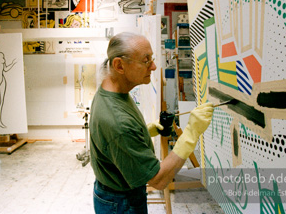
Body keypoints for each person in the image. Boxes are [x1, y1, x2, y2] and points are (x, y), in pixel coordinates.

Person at [89, 32, 214, 214]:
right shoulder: (118, 122)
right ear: (119, 65)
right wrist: (191, 133)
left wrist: (146, 131)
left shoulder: (110, 90)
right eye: (146, 60)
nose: (154, 66)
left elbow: (113, 141)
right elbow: (159, 180)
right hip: (121, 204)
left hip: (113, 192)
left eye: (152, 58)